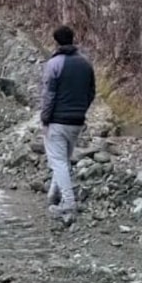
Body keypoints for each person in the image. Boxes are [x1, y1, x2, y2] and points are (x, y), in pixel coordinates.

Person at [40, 25, 96, 225]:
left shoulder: (55, 64)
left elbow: (49, 95)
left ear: (56, 42)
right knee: (63, 159)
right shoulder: (86, 63)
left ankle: (69, 203)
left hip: (58, 121)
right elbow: (91, 92)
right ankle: (52, 195)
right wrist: (81, 110)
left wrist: (45, 119)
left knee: (59, 162)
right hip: (77, 121)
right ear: (73, 39)